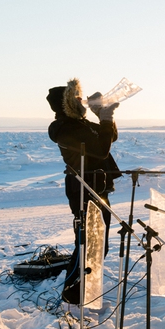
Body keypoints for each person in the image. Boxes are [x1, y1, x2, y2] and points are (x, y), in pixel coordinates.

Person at [46, 78, 121, 305]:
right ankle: (72, 295)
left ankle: (84, 290)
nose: (82, 100)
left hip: (98, 186)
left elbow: (109, 138)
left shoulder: (80, 124)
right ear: (67, 102)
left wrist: (103, 116)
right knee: (87, 243)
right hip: (83, 188)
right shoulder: (63, 127)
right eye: (77, 97)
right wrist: (105, 119)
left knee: (100, 244)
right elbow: (100, 150)